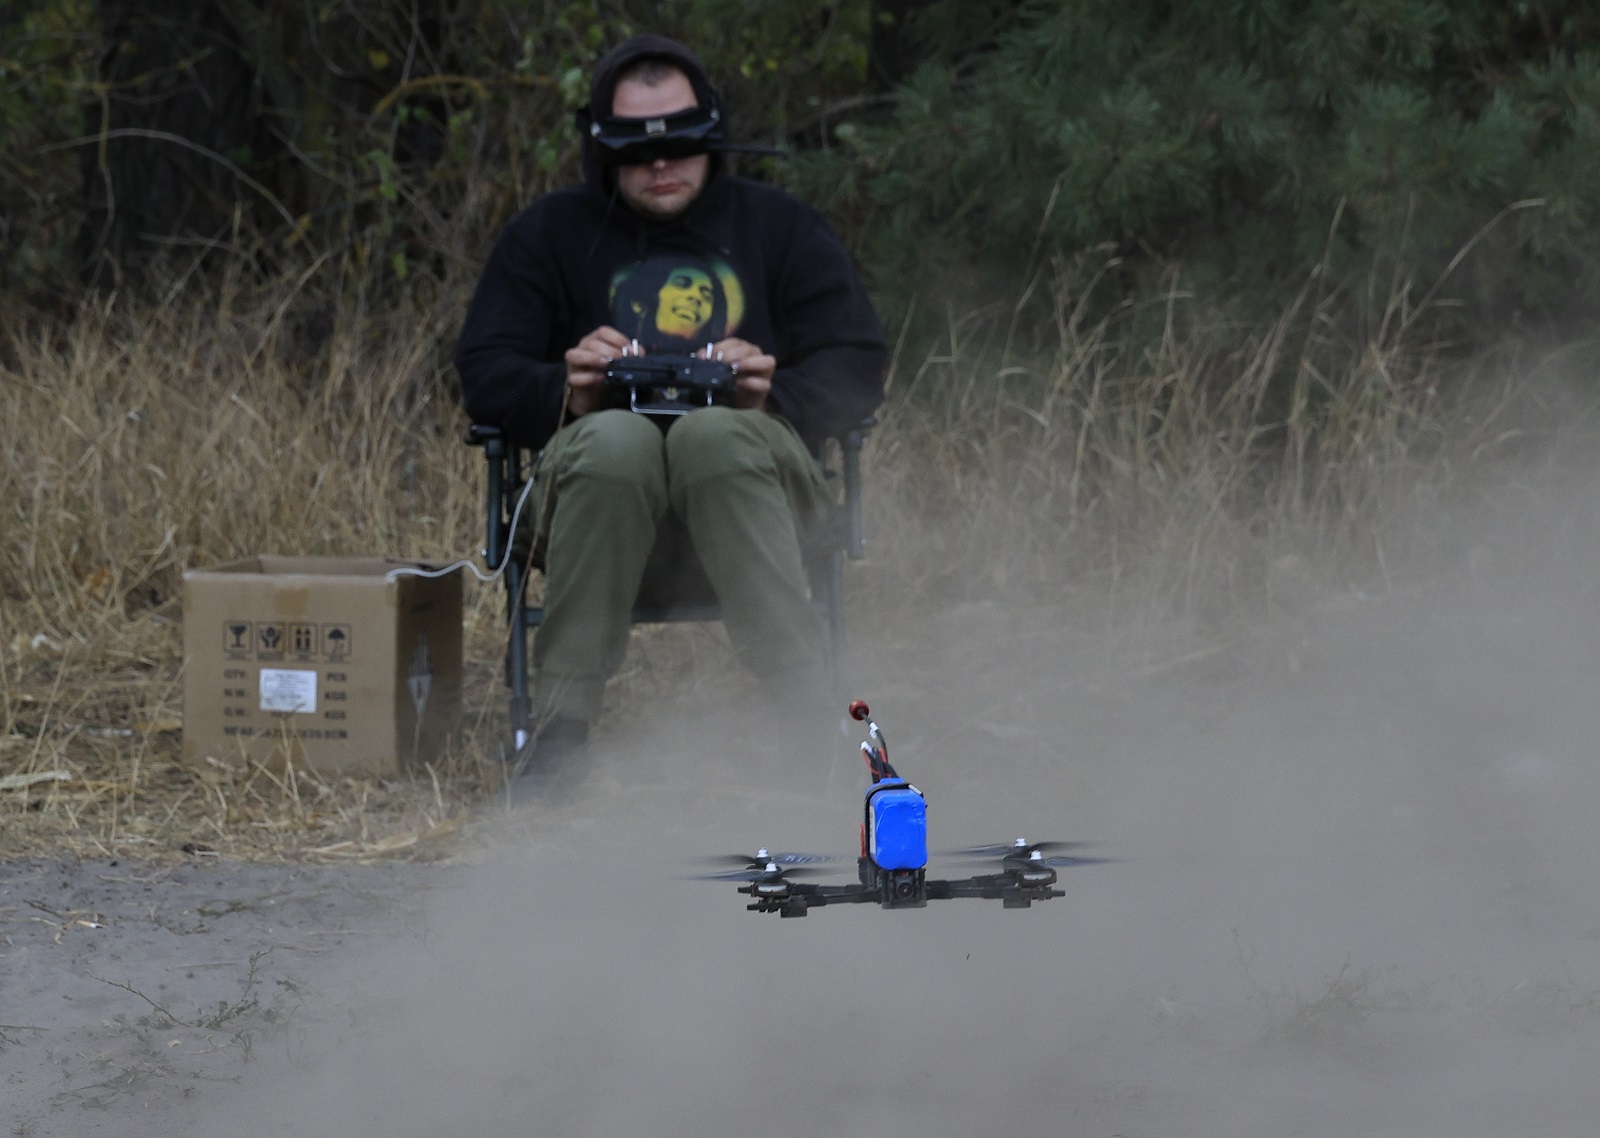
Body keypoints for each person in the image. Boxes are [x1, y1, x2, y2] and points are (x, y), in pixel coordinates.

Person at [453, 33, 886, 782]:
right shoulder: (545, 237)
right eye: (634, 149)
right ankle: (557, 737)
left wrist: (771, 391)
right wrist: (569, 387)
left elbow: (859, 359)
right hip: (600, 516)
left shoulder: (780, 228)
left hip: (761, 510)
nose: (660, 164)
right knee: (615, 440)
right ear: (599, 149)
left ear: (714, 135)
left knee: (716, 435)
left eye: (682, 142)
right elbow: (484, 371)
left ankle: (804, 724)